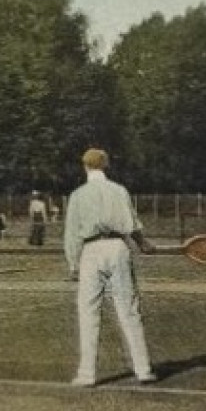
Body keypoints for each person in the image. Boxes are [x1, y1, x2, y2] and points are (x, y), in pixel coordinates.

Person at [63, 149, 157, 387]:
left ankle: (87, 375)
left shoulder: (78, 195)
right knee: (129, 310)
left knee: (88, 313)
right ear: (105, 165)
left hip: (91, 251)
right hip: (118, 248)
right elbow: (132, 223)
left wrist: (73, 263)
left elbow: (72, 233)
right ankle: (144, 370)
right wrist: (143, 243)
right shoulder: (119, 190)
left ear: (84, 166)